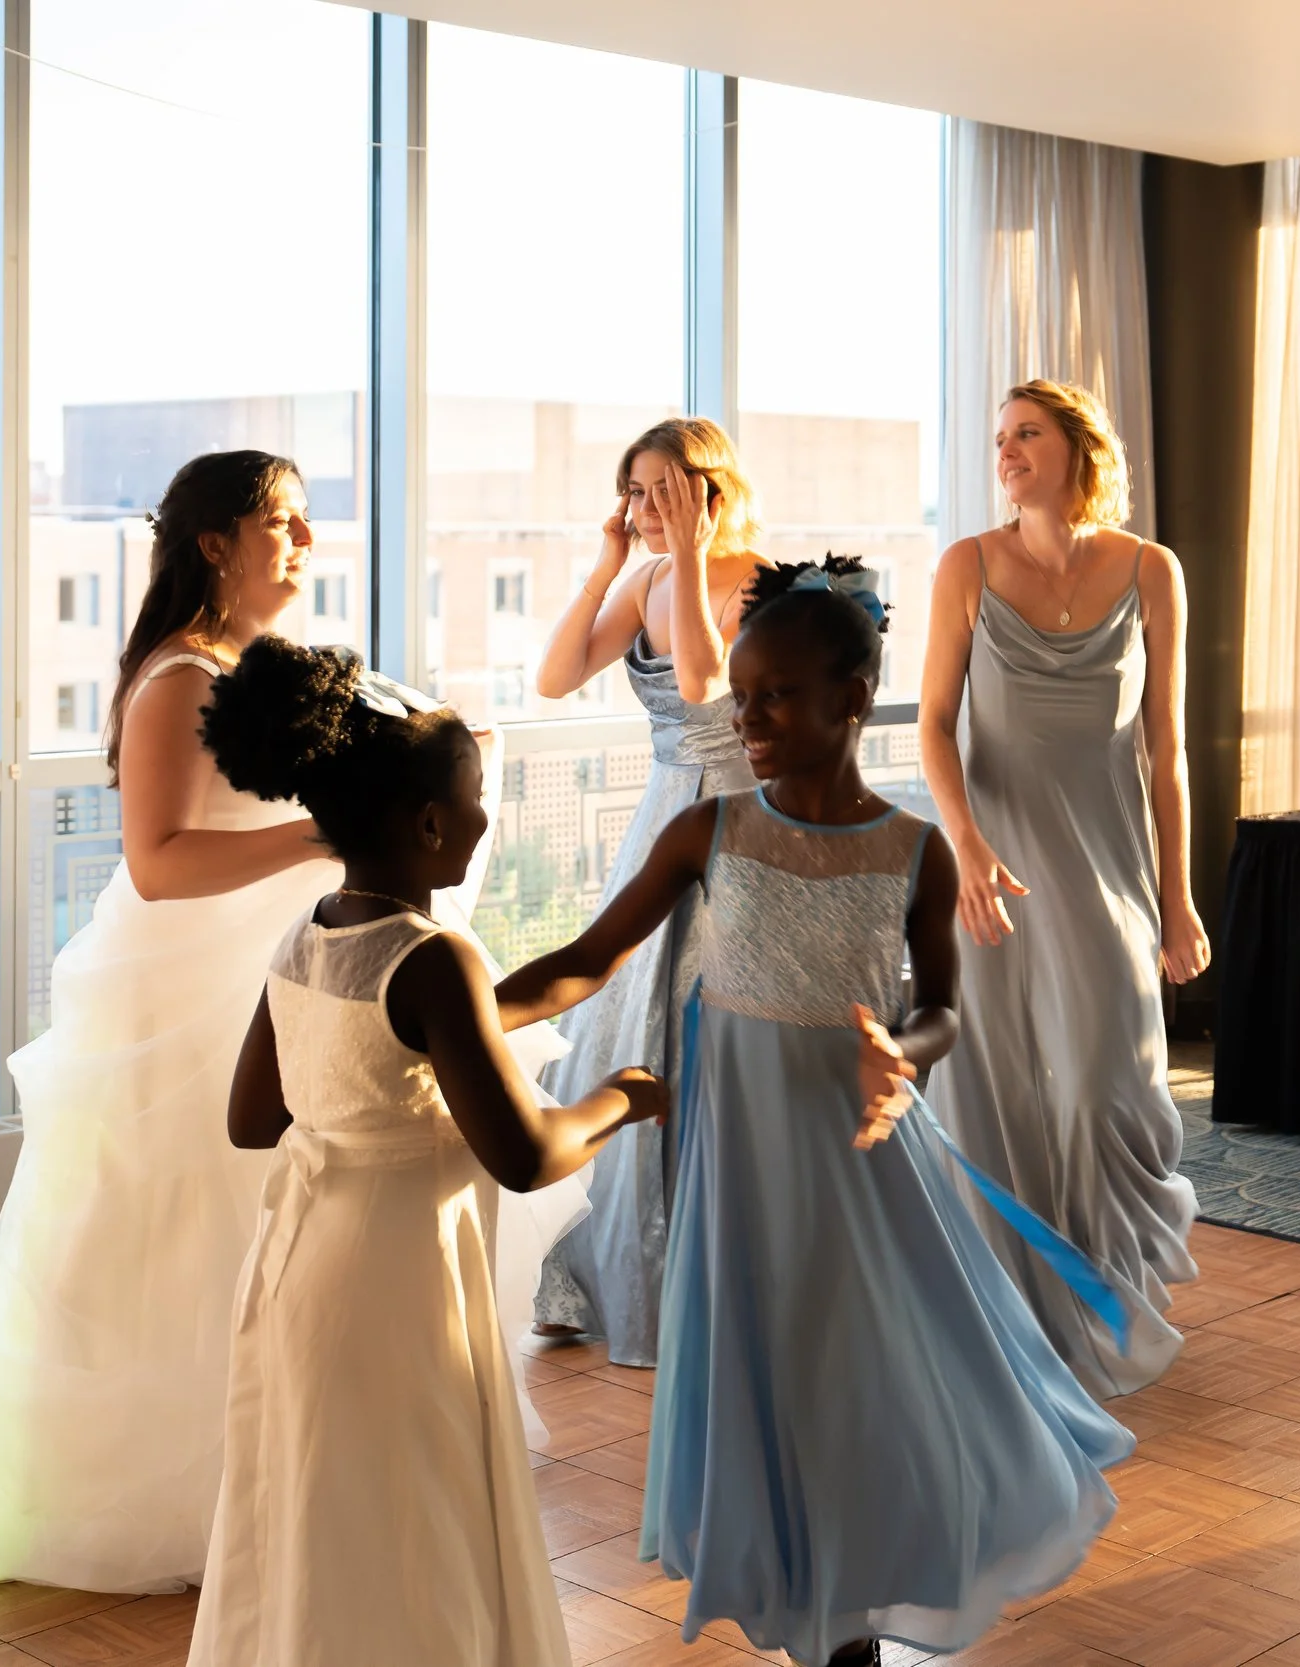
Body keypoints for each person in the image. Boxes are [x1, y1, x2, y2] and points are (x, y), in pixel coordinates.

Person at [498, 559, 1133, 1667]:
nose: (745, 718)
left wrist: (905, 1056)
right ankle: (804, 1593)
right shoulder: (710, 833)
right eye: (740, 696)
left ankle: (853, 1607)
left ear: (853, 695)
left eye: (774, 696)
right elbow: (588, 957)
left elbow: (937, 1009)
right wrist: (463, 1012)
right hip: (740, 1159)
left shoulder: (912, 849)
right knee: (771, 1362)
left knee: (856, 1370)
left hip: (858, 1160)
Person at [0, 452, 349, 1592]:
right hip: (175, 989)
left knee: (245, 1231)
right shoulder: (182, 676)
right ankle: (136, 1486)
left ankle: (263, 1469)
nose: (304, 541)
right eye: (280, 521)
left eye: (305, 520)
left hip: (252, 974)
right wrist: (324, 833)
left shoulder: (255, 665)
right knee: (158, 1230)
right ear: (215, 542)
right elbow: (161, 861)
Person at [186, 637, 665, 1667]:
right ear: (431, 821)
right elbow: (526, 1152)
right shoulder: (431, 956)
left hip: (304, 1258)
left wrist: (633, 918)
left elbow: (252, 1115)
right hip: (394, 1277)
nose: (489, 815)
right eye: (478, 793)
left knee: (327, 1511)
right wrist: (617, 1099)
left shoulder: (311, 931)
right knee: (415, 1516)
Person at [917, 378, 1206, 1399]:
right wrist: (963, 842)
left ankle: (1105, 1296)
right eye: (999, 437)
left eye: (1026, 433)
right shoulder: (965, 566)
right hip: (990, 868)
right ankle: (1009, 1305)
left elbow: (1164, 750)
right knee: (997, 1090)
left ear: (1079, 448)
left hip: (1107, 866)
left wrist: (1177, 895)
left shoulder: (1149, 570)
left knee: (1101, 1084)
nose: (1006, 452)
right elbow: (933, 724)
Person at [528, 416, 769, 1366]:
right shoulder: (645, 576)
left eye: (659, 493)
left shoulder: (757, 580)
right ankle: (598, 1274)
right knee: (618, 1014)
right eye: (633, 492)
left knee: (702, 1012)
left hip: (738, 812)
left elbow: (710, 690)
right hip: (664, 808)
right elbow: (552, 679)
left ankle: (710, 1273)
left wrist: (700, 554)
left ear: (706, 492)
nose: (644, 509)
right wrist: (608, 562)